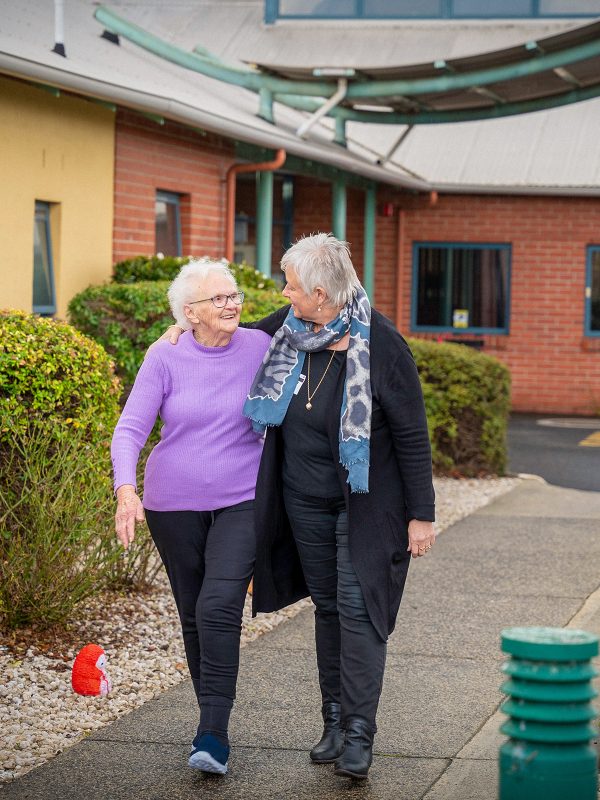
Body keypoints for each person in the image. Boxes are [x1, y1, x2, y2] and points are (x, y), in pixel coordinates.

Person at [165, 234, 435, 781]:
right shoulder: (288, 329)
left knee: (361, 614)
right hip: (302, 501)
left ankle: (359, 734)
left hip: (365, 507)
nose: (282, 293)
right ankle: (333, 721)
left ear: (318, 291)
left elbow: (411, 435)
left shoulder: (381, 345)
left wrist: (422, 513)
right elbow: (228, 333)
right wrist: (184, 327)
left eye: (289, 285)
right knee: (330, 609)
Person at [110, 258, 305, 776]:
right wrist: (126, 490)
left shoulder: (259, 346)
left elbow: (307, 315)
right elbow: (131, 428)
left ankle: (213, 734)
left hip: (243, 498)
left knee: (220, 604)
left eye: (234, 294)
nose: (232, 304)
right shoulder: (165, 354)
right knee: (195, 613)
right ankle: (209, 720)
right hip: (172, 506)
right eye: (217, 299)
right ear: (189, 313)